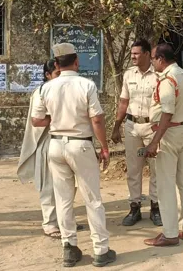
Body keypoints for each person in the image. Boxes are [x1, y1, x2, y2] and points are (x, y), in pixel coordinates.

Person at [31, 43, 117, 268]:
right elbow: (96, 119)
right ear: (77, 61)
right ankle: (101, 249)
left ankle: (69, 248)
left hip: (56, 145)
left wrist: (57, 119)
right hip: (81, 145)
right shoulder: (86, 85)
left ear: (56, 64)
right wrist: (104, 147)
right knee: (92, 199)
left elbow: (36, 120)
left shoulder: (46, 88)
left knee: (63, 199)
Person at [17, 60, 84, 239]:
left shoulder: (67, 89)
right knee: (49, 186)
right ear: (47, 75)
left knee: (68, 185)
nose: (61, 77)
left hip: (69, 141)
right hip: (47, 142)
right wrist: (59, 117)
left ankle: (66, 221)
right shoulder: (41, 92)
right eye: (56, 74)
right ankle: (50, 223)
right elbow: (37, 121)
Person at [143, 43, 183, 247]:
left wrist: (155, 141)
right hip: (182, 130)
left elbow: (167, 112)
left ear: (161, 59)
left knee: (165, 185)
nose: (152, 62)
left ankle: (170, 233)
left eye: (153, 58)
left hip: (168, 133)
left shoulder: (167, 79)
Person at [111, 39, 161, 227]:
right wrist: (116, 126)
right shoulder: (128, 74)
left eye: (136, 53)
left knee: (156, 168)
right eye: (132, 53)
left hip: (152, 127)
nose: (132, 56)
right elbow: (123, 102)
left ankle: (156, 207)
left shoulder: (158, 75)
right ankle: (134, 207)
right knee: (133, 169)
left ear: (147, 54)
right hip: (132, 126)